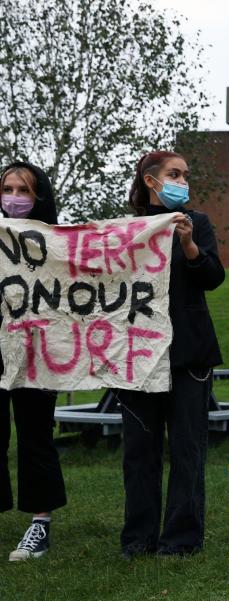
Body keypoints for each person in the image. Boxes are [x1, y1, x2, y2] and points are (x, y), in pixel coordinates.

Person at [118, 151, 225, 558]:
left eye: (185, 174)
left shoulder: (197, 223)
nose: (183, 181)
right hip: (138, 356)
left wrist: (190, 246)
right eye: (174, 174)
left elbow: (213, 278)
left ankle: (181, 539)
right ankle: (138, 538)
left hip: (189, 354)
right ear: (151, 181)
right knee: (139, 451)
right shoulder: (127, 230)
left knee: (186, 450)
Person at [0, 162, 68, 561]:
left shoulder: (57, 242)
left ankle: (40, 523)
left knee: (35, 436)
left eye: (23, 190)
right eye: (8, 188)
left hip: (41, 352)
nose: (14, 197)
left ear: (38, 195)